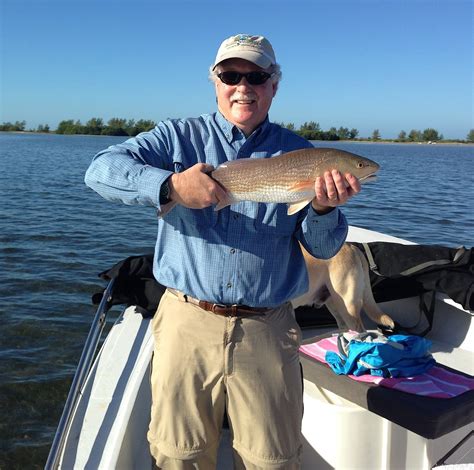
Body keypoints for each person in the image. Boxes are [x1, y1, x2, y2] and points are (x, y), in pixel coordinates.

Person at [85, 33, 361, 470]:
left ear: (274, 84)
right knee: (180, 457)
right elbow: (99, 171)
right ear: (215, 81)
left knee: (273, 459)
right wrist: (170, 185)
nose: (243, 85)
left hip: (267, 330)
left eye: (256, 76)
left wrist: (325, 206)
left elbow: (323, 246)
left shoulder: (304, 154)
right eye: (231, 75)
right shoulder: (177, 138)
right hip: (186, 325)